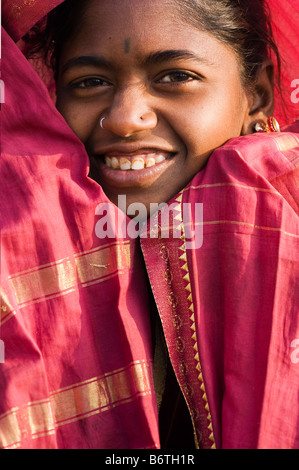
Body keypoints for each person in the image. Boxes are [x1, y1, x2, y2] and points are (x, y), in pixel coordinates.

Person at [1, 0, 299, 449]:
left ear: (256, 95)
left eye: (175, 77)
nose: (124, 118)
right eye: (90, 82)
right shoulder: (16, 268)